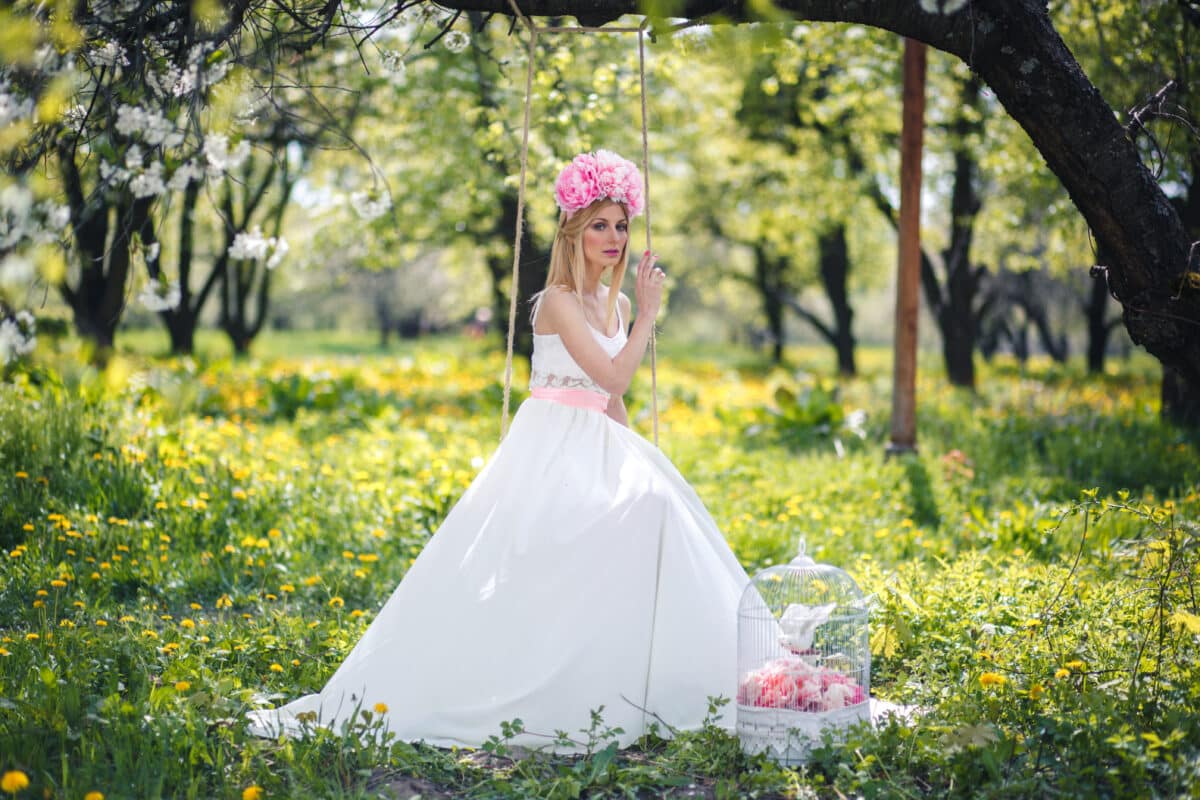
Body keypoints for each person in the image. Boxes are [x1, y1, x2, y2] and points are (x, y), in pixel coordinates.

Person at [247, 151, 751, 751]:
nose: (614, 238)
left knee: (657, 506)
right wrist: (649, 317)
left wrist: (638, 455)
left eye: (621, 225)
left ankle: (657, 678)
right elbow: (613, 377)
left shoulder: (613, 306)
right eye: (599, 225)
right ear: (573, 230)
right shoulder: (557, 301)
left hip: (597, 442)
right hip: (551, 449)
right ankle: (555, 679)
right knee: (594, 531)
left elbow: (611, 403)